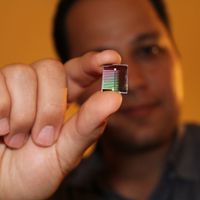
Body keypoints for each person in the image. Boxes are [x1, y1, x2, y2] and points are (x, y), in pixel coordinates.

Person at [0, 0, 199, 200]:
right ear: (72, 85)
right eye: (107, 67)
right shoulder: (48, 190)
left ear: (177, 55)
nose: (134, 83)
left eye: (149, 50)